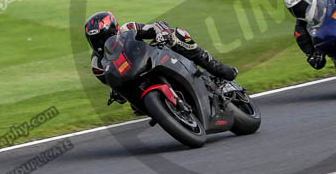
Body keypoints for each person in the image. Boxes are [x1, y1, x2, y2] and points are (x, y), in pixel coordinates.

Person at [84, 11, 238, 105]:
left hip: (151, 57)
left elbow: (154, 27)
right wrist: (116, 91)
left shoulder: (128, 29)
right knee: (133, 105)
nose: (101, 42)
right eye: (96, 40)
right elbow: (111, 83)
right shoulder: (97, 64)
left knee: (177, 35)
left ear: (114, 29)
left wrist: (161, 32)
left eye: (104, 36)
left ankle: (217, 68)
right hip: (134, 79)